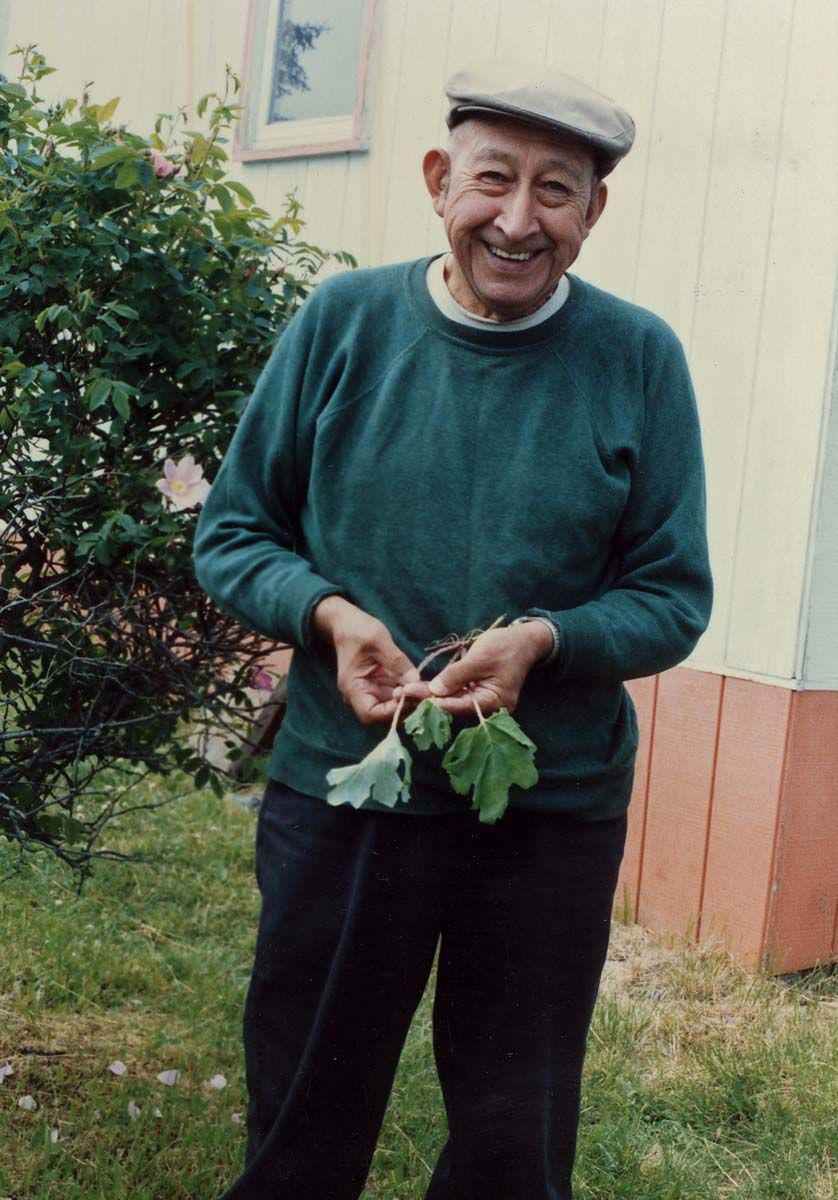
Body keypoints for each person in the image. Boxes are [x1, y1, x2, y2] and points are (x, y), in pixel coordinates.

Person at [194, 58, 713, 1200]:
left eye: (556, 192)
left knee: (511, 1136)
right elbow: (233, 536)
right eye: (492, 180)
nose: (518, 221)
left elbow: (673, 596)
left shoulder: (638, 359)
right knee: (303, 1113)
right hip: (347, 789)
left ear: (593, 211)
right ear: (438, 181)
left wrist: (543, 642)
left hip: (548, 808)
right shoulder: (344, 324)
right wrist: (328, 616)